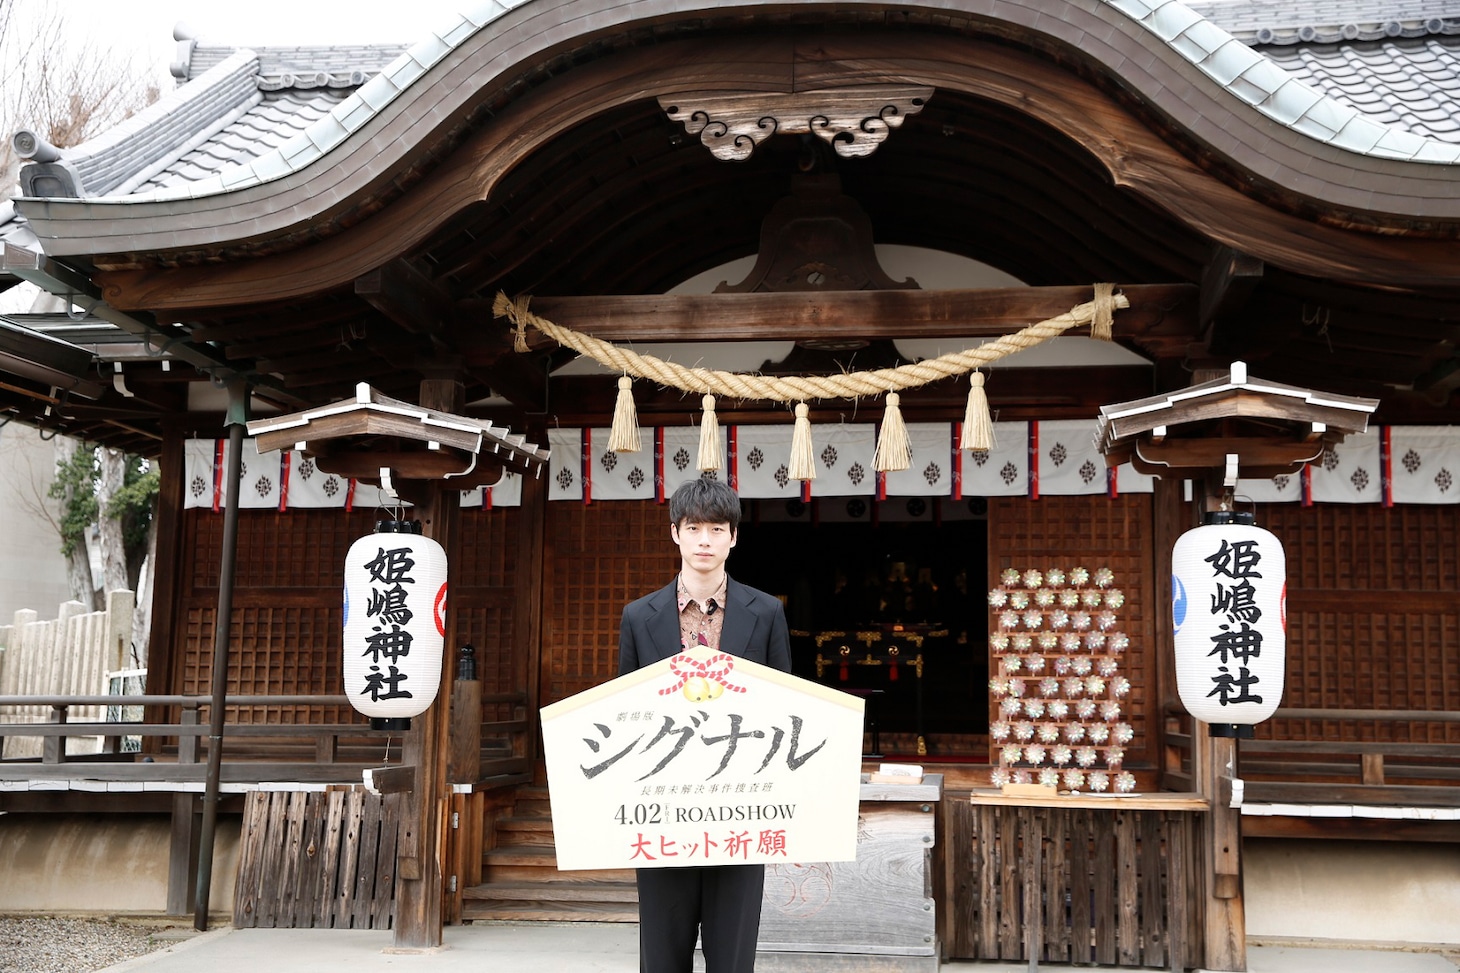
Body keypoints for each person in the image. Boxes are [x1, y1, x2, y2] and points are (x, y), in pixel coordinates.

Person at [618, 477, 792, 973]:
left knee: (732, 959)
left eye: (717, 529)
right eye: (693, 528)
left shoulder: (766, 612)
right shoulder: (638, 616)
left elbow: (786, 706)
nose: (704, 541)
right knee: (661, 958)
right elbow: (623, 712)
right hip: (663, 811)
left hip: (740, 808)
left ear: (733, 537)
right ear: (675, 533)